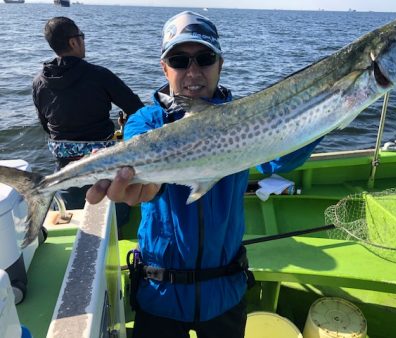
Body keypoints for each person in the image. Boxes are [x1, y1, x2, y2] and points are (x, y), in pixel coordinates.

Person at [86, 11, 322, 338]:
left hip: (225, 293)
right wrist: (144, 186)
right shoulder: (146, 122)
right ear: (164, 68)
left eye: (205, 58)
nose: (193, 71)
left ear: (220, 64)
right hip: (160, 295)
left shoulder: (248, 120)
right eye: (180, 60)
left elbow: (277, 161)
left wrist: (329, 111)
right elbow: (149, 182)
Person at [32, 16, 144, 214]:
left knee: (75, 214)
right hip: (104, 168)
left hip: (65, 170)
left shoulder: (39, 83)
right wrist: (128, 125)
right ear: (73, 42)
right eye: (81, 36)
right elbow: (138, 109)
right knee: (118, 218)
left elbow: (44, 125)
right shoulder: (99, 75)